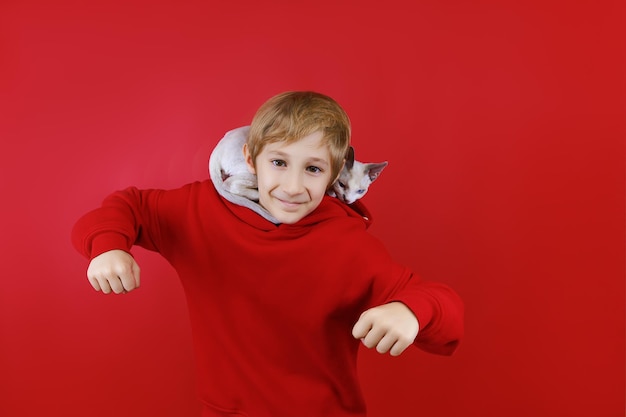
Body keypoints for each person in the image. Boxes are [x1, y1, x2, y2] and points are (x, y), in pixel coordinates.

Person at [71, 91, 464, 417]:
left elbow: (445, 313)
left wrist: (412, 311)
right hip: (225, 410)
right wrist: (107, 246)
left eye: (313, 169)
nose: (292, 186)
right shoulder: (199, 211)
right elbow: (127, 206)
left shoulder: (348, 245)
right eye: (278, 162)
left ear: (334, 175)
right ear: (250, 159)